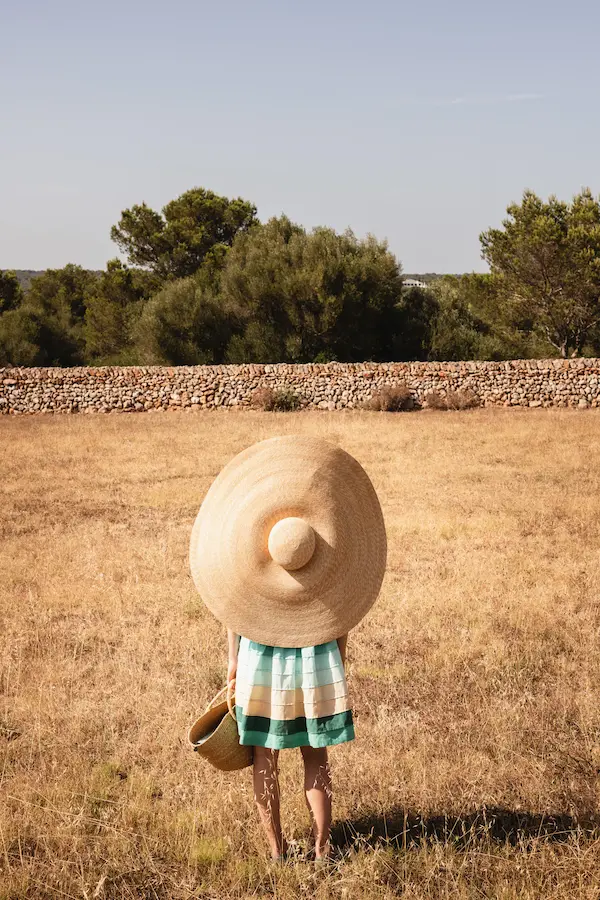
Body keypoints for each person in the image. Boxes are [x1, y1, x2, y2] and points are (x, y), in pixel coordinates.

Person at [227, 626, 354, 864]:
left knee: (263, 755)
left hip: (259, 656)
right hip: (315, 653)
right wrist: (340, 652)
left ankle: (278, 851)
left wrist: (233, 658)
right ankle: (323, 851)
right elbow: (341, 614)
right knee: (316, 755)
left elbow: (233, 611)